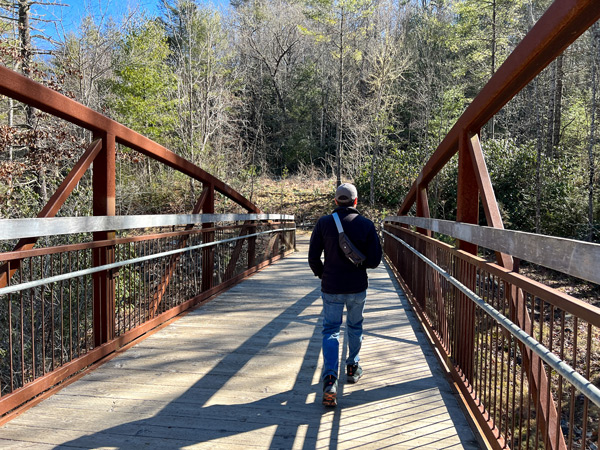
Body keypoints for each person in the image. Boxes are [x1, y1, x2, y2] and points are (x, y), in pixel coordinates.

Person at [308, 183, 382, 407]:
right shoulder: (366, 225)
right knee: (355, 326)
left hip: (331, 287)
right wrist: (359, 265)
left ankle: (330, 379)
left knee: (330, 330)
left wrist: (323, 275)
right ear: (356, 202)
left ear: (335, 201)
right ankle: (352, 367)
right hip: (357, 287)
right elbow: (375, 261)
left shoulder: (323, 223)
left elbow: (313, 258)